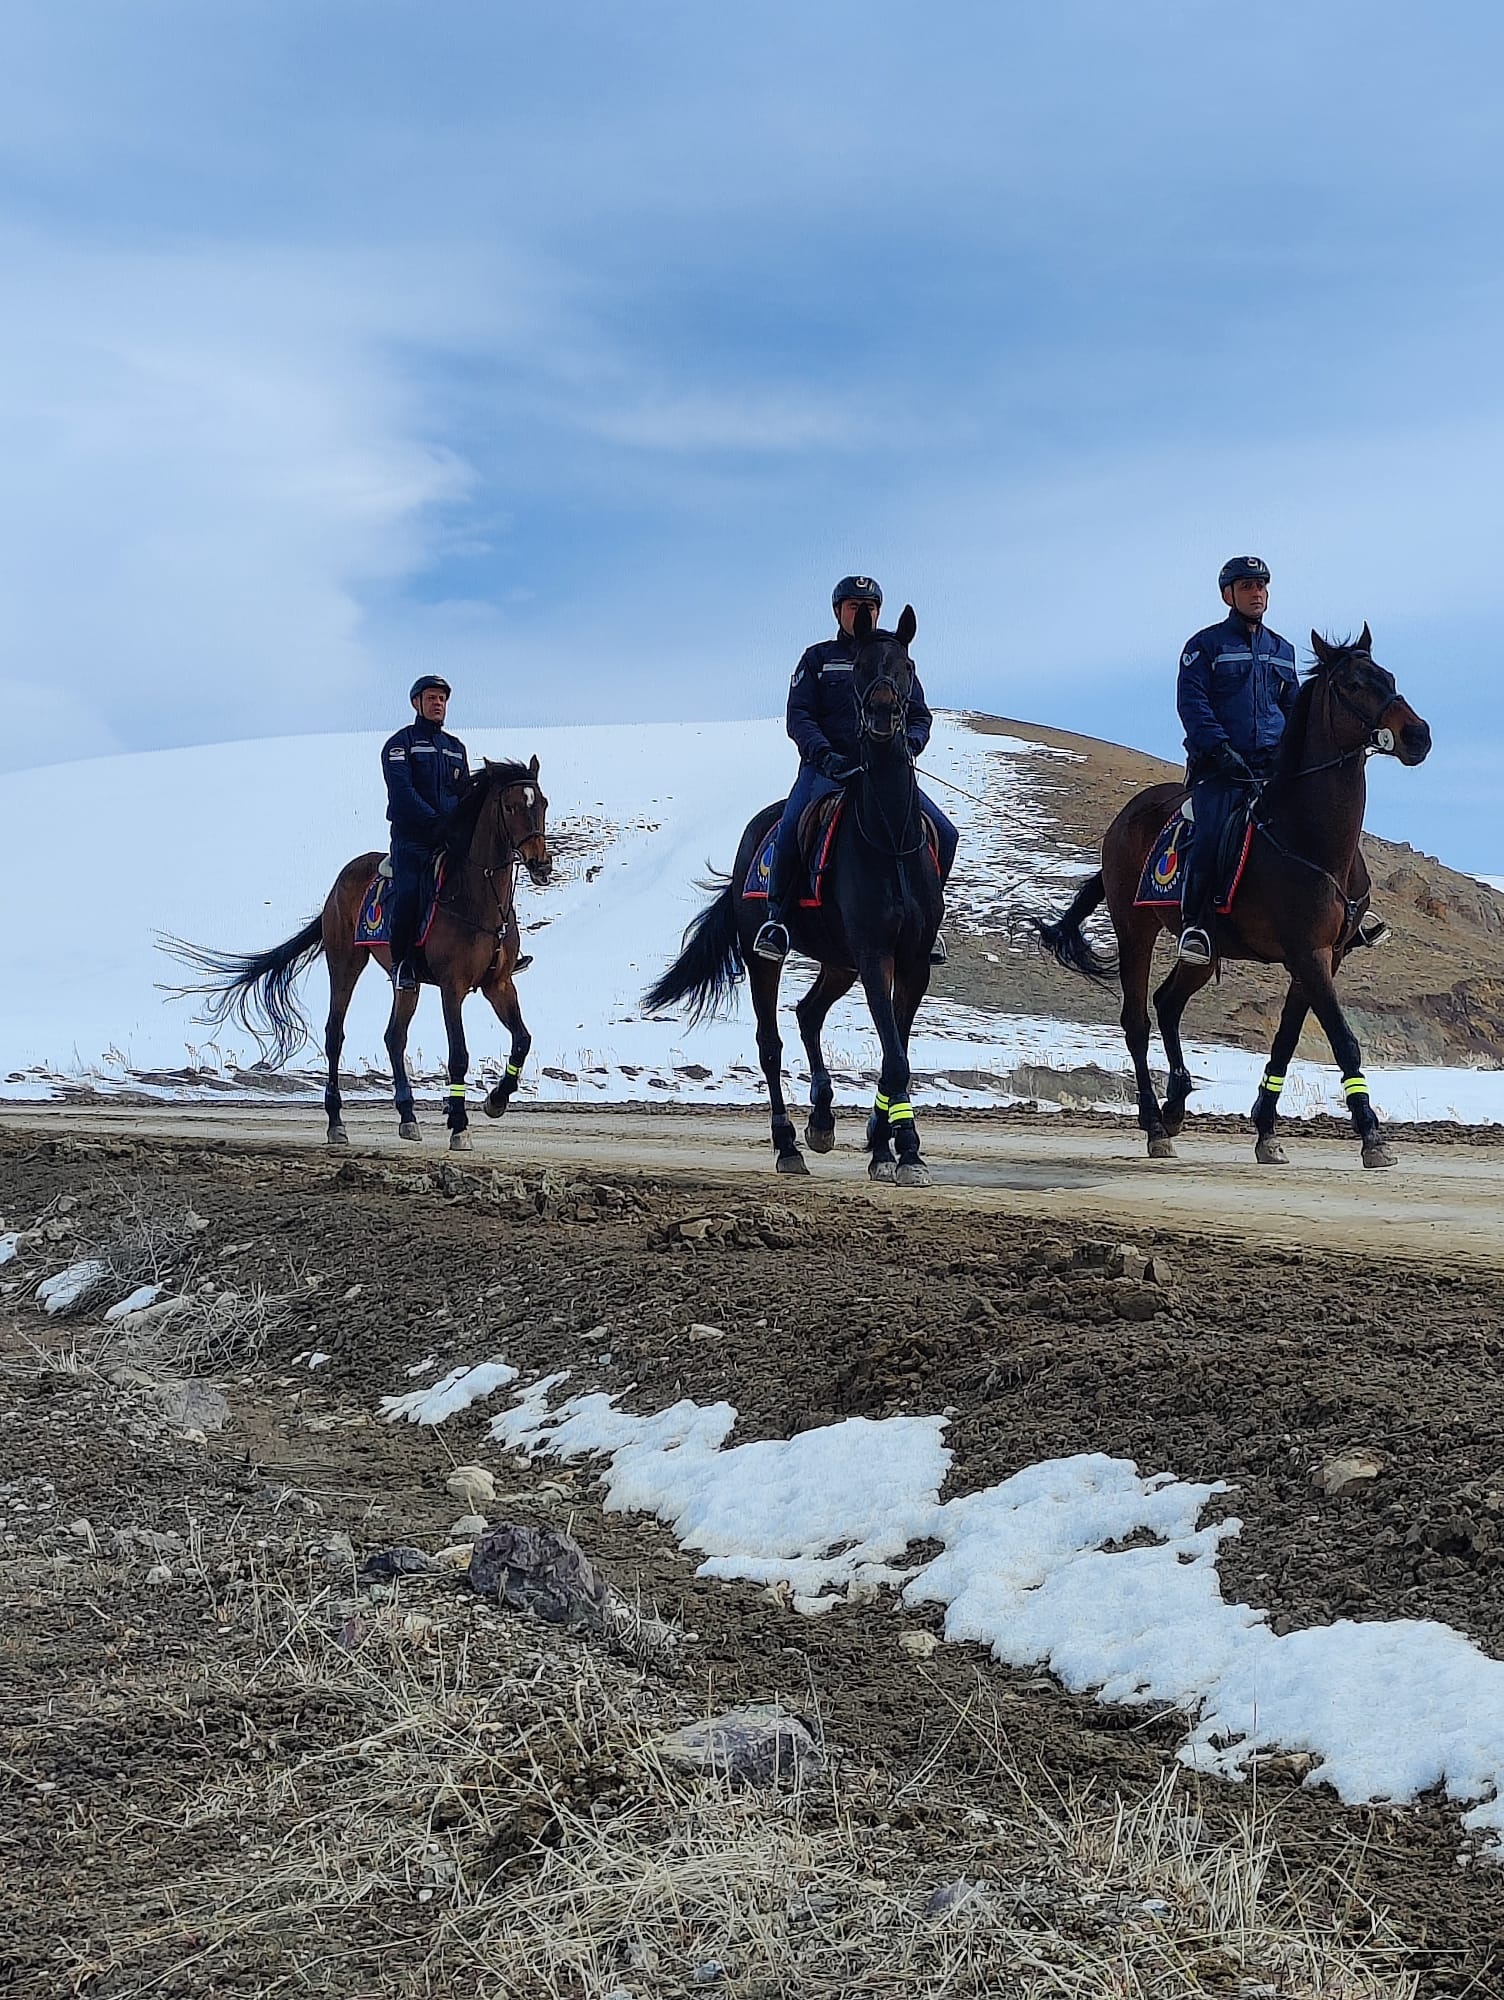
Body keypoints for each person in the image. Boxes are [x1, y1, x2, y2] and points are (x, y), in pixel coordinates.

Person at [1174, 556, 1390, 965]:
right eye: (1246, 587)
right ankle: (1196, 926)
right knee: (1211, 834)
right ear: (1228, 595)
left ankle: (1352, 911)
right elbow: (1193, 703)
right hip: (1220, 768)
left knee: (1326, 823)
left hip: (1272, 766)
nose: (1256, 593)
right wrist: (1219, 748)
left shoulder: (1281, 650)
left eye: (1261, 587)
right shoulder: (1204, 647)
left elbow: (1294, 710)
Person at [752, 575, 959, 964]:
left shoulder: (891, 657)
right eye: (853, 606)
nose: (862, 613)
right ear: (839, 612)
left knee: (945, 833)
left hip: (884, 774)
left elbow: (919, 715)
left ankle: (928, 925)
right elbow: (799, 715)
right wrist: (824, 754)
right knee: (793, 827)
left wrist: (910, 745)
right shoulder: (817, 659)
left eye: (869, 607)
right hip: (826, 770)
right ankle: (776, 920)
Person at [381, 675, 470, 991]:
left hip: (448, 840)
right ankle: (402, 963)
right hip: (412, 840)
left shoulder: (456, 749)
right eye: (431, 698)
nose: (438, 704)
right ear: (416, 703)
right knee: (409, 893)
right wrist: (434, 822)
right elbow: (402, 791)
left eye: (442, 699)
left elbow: (464, 796)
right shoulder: (398, 745)